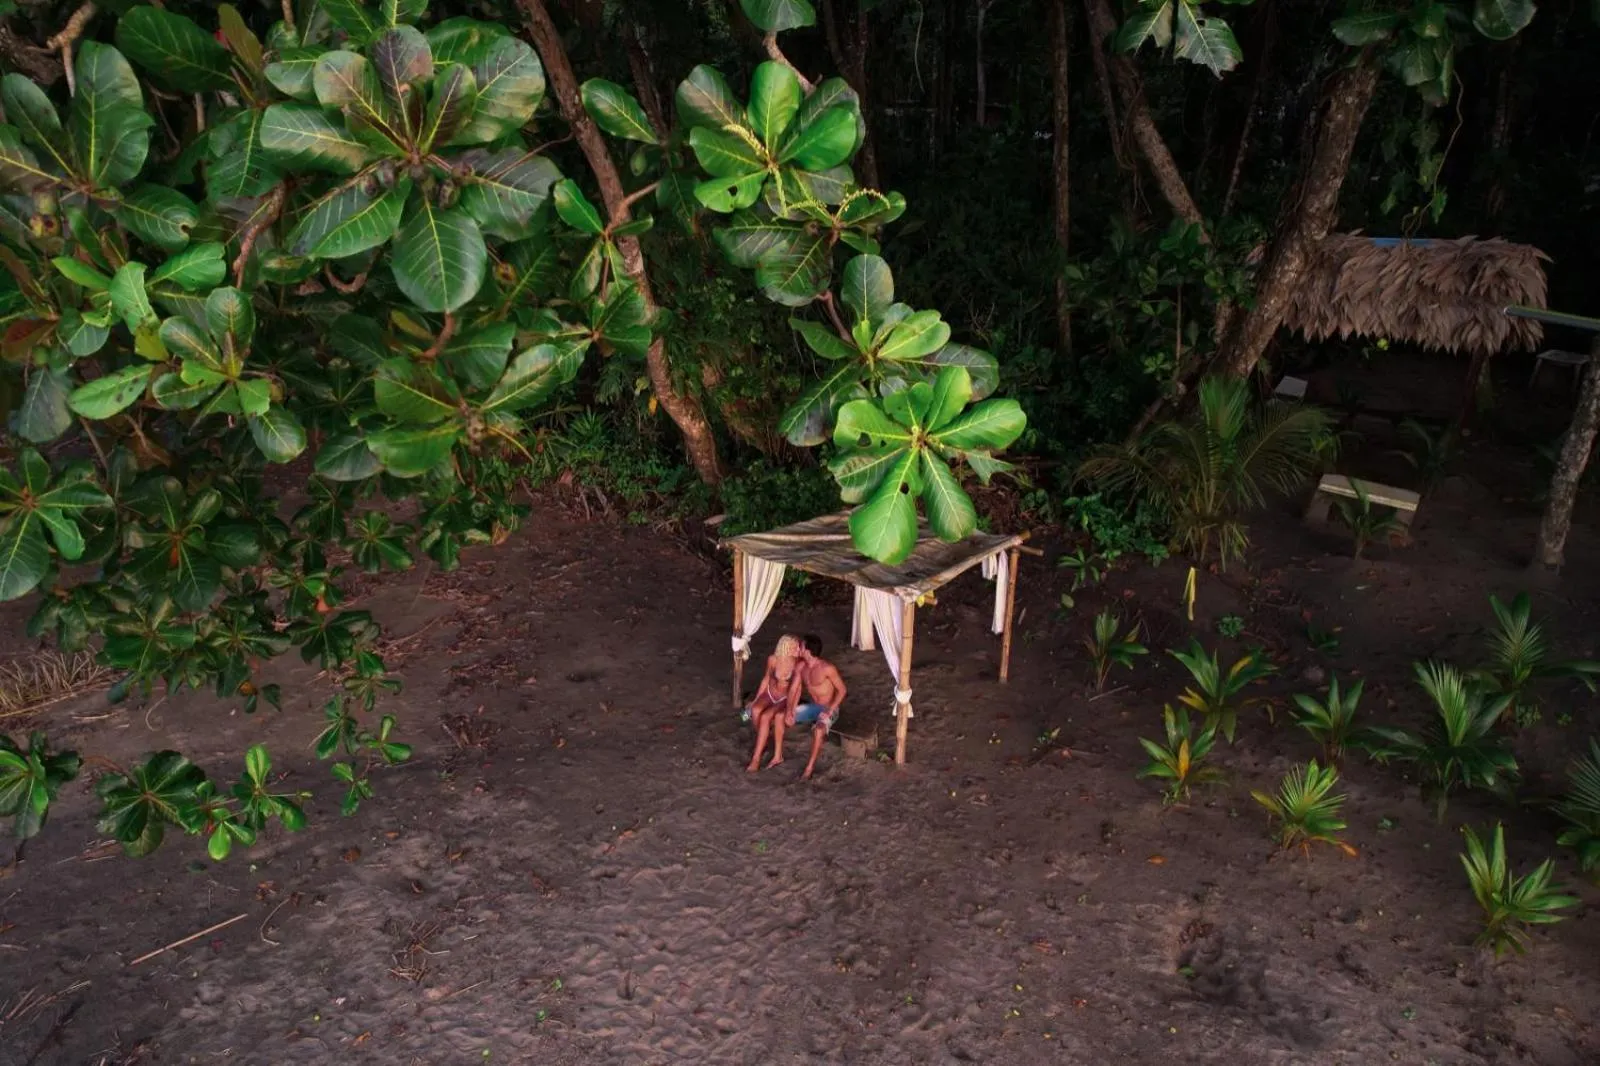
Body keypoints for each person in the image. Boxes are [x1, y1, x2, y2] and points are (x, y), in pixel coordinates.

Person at [790, 633, 847, 781]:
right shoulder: (801, 666)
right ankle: (745, 715)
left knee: (819, 729)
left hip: (829, 709)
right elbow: (794, 690)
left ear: (808, 650)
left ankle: (809, 769)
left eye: (801, 646)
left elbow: (842, 690)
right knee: (780, 716)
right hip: (812, 707)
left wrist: (830, 710)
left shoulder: (827, 668)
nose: (799, 648)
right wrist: (790, 709)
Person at [745, 634, 802, 773]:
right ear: (785, 647)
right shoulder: (773, 659)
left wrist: (792, 709)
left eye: (798, 646)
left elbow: (797, 689)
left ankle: (756, 758)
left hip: (783, 698)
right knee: (755, 710)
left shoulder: (798, 664)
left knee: (765, 717)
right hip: (770, 693)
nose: (798, 649)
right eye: (794, 647)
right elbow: (765, 679)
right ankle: (763, 739)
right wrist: (756, 699)